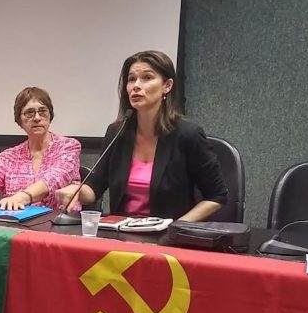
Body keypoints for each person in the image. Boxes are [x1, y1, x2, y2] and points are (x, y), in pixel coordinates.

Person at [57, 50, 227, 221]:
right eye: (131, 79)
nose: (136, 86)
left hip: (168, 233)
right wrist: (77, 191)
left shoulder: (188, 134)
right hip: (121, 231)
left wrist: (177, 226)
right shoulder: (117, 132)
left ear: (167, 86)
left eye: (147, 78)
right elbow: (95, 187)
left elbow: (216, 196)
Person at [0, 87, 80, 210]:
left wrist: (19, 198)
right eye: (29, 113)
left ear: (50, 115)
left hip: (59, 221)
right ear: (19, 120)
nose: (37, 118)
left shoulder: (68, 147)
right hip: (16, 220)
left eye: (42, 111)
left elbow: (54, 180)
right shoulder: (9, 156)